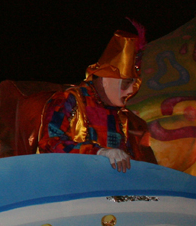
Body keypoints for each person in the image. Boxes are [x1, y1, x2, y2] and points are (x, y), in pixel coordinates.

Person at [37, 25, 157, 172]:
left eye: (134, 84)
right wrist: (98, 152)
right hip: (71, 185)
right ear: (106, 80)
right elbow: (49, 144)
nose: (132, 90)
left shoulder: (125, 119)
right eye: (126, 84)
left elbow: (139, 163)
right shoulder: (68, 100)